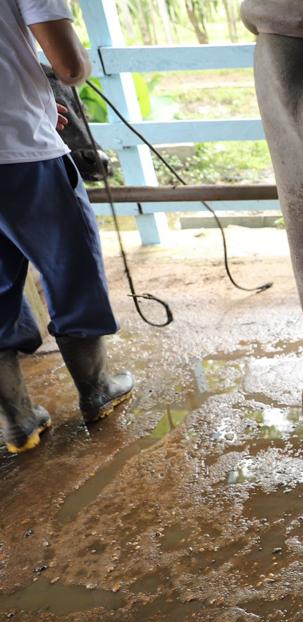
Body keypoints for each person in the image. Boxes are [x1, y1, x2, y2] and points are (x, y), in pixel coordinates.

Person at [1, 0, 133, 454]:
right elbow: (70, 66)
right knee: (71, 269)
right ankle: (96, 391)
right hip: (21, 152)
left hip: (17, 134)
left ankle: (19, 421)